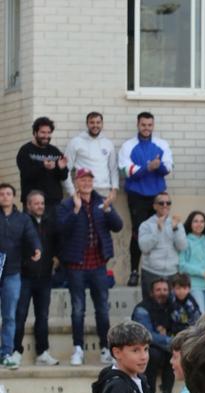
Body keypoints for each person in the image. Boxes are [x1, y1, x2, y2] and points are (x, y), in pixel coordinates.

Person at [57, 168, 123, 366]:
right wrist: (76, 210)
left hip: (98, 264)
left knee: (102, 308)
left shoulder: (102, 202)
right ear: (76, 183)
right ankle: (78, 349)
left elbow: (118, 226)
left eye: (89, 180)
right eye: (82, 180)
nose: (86, 183)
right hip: (76, 265)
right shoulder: (67, 204)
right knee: (78, 309)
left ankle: (105, 348)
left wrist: (109, 209)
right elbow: (61, 229)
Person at [120, 113, 173, 285]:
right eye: (143, 125)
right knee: (138, 233)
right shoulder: (128, 145)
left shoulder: (162, 144)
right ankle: (134, 272)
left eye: (150, 125)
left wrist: (159, 166)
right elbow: (125, 171)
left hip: (158, 196)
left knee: (160, 232)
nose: (146, 128)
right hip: (137, 196)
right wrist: (148, 168)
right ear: (138, 125)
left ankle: (157, 272)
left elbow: (168, 167)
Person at [10, 190, 54, 366]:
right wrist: (23, 264)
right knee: (19, 315)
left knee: (42, 316)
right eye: (36, 203)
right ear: (28, 205)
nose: (40, 206)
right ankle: (15, 351)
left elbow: (56, 243)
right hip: (24, 277)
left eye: (42, 203)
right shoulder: (21, 221)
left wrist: (55, 259)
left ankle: (42, 352)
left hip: (45, 277)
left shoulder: (50, 221)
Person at [0, 183, 40, 369]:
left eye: (8, 193)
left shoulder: (22, 219)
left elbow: (32, 236)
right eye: (1, 193)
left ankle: (6, 353)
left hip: (12, 272)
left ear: (13, 197)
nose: (5, 196)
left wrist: (36, 248)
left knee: (9, 315)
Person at [132, 276, 177, 393]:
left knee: (173, 354)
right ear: (151, 293)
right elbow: (147, 335)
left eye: (165, 290)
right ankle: (149, 392)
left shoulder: (172, 306)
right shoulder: (142, 309)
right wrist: (169, 340)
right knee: (153, 354)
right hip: (144, 346)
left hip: (165, 346)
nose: (162, 293)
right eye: (158, 290)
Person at [135, 191, 186, 298]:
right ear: (155, 206)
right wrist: (157, 230)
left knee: (171, 306)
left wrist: (175, 229)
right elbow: (144, 248)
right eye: (161, 203)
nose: (165, 205)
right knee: (150, 306)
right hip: (151, 272)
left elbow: (182, 247)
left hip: (172, 273)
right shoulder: (146, 225)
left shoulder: (176, 223)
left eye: (168, 203)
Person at [65, 111, 118, 207]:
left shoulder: (108, 143)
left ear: (102, 124)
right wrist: (72, 192)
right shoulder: (75, 142)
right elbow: (66, 169)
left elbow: (113, 169)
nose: (95, 125)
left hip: (104, 191)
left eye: (98, 122)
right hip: (82, 191)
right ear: (87, 124)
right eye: (92, 122)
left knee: (103, 217)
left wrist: (114, 189)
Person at [17, 117, 67, 209]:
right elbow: (26, 174)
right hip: (33, 202)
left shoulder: (54, 151)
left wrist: (61, 168)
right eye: (43, 132)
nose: (46, 136)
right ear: (35, 133)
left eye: (49, 132)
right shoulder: (25, 150)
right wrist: (43, 166)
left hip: (54, 203)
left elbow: (64, 177)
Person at [178, 211, 205, 314]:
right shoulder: (185, 241)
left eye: (202, 221)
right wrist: (202, 272)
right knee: (200, 314)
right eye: (196, 221)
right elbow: (182, 266)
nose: (199, 224)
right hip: (195, 285)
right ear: (190, 223)